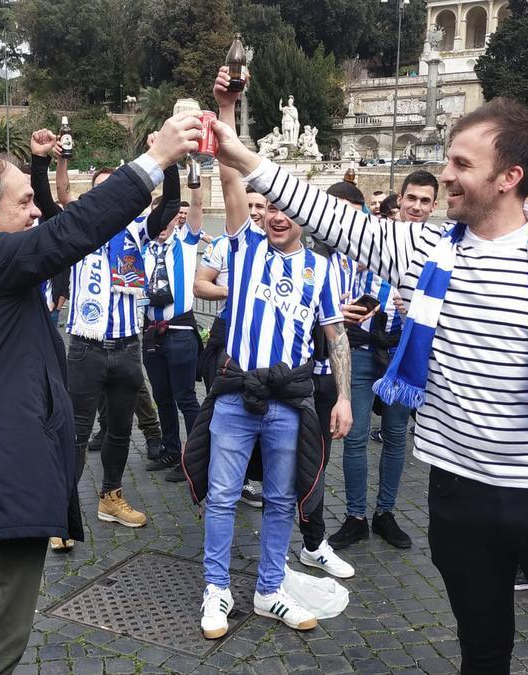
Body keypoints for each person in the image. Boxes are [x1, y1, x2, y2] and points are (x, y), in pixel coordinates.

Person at [212, 97, 528, 672]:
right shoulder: (423, 251)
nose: (445, 176)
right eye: (449, 161)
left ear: (510, 177)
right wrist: (241, 154)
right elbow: (329, 214)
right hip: (457, 495)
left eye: (462, 165)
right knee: (482, 651)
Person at [0, 116, 198, 674]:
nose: (34, 211)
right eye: (23, 201)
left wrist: (42, 168)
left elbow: (59, 225)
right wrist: (154, 161)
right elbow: (68, 231)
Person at [184, 67, 352, 639]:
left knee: (283, 499)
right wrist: (227, 112)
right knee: (224, 496)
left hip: (291, 399)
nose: (277, 215)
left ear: (305, 214)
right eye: (269, 207)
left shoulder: (322, 269)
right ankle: (215, 590)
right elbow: (232, 176)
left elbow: (335, 335)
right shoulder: (245, 246)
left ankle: (269, 590)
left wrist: (346, 397)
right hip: (237, 392)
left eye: (287, 208)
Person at [58, 160, 177, 532]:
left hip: (126, 347)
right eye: (102, 189)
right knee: (76, 434)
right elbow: (52, 200)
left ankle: (111, 497)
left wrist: (169, 162)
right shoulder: (76, 230)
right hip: (86, 349)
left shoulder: (137, 230)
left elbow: (171, 205)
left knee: (121, 430)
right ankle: (62, 511)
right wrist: (48, 161)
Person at [330, 170, 437, 552]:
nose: (417, 207)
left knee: (394, 437)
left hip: (403, 350)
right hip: (361, 347)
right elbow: (339, 280)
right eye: (412, 199)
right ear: (401, 198)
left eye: (426, 201)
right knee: (355, 436)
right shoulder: (375, 241)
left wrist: (417, 309)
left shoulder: (441, 249)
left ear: (433, 206)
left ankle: (386, 513)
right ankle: (356, 516)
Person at [195, 185, 269, 501]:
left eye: (260, 206)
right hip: (226, 333)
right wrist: (233, 292)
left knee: (258, 409)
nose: (254, 211)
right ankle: (215, 476)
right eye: (249, 204)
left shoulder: (278, 246)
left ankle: (247, 479)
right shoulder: (223, 246)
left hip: (264, 337)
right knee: (222, 408)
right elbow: (199, 285)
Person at [140, 185, 204, 473]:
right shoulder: (143, 248)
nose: (162, 225)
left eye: (168, 218)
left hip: (180, 331)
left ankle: (196, 458)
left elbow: (198, 205)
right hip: (152, 333)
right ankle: (170, 450)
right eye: (157, 217)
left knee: (186, 398)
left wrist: (194, 169)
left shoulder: (186, 242)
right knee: (162, 397)